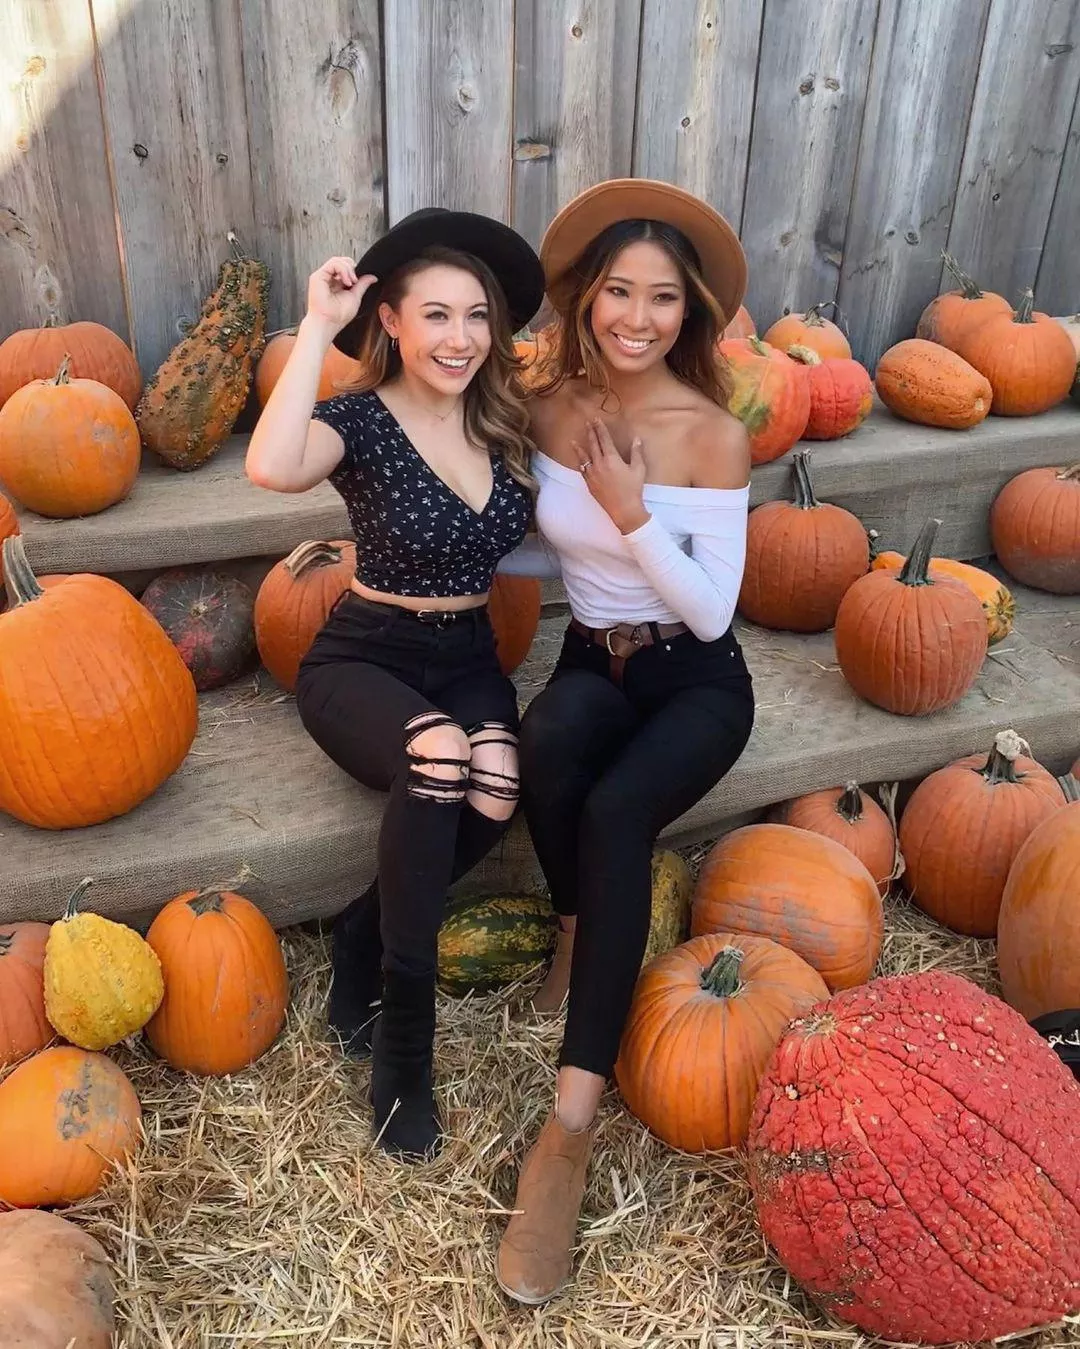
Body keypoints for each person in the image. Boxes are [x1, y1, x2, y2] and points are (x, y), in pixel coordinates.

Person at [493, 179, 757, 1303]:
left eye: (660, 299)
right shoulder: (548, 405)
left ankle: (567, 1130)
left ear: (687, 310)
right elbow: (541, 552)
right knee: (546, 745)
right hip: (595, 655)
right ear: (586, 299)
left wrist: (633, 506)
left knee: (616, 812)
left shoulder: (714, 435)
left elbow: (708, 612)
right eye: (617, 293)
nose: (636, 318)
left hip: (694, 674)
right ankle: (574, 930)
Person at [245, 209, 545, 1162]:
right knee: (439, 758)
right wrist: (319, 331)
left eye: (476, 317)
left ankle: (361, 927)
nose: (458, 338)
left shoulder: (502, 424)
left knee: (497, 786)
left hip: (465, 655)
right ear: (397, 326)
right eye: (436, 316)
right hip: (363, 654)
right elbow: (270, 465)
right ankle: (404, 1052)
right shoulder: (362, 418)